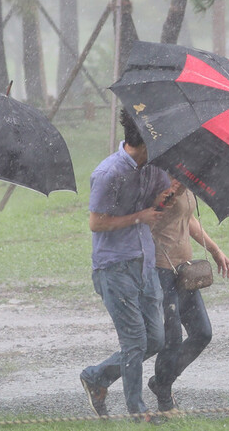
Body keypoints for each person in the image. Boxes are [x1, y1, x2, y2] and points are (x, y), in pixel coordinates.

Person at [80, 109, 172, 422]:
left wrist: (168, 197)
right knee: (134, 341)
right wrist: (138, 218)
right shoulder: (109, 173)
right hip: (114, 268)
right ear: (145, 141)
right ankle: (138, 410)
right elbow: (96, 223)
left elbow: (156, 206)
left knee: (155, 340)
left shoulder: (154, 168)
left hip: (145, 264)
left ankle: (96, 376)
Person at [147, 176, 229, 412]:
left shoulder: (186, 180)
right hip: (160, 270)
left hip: (184, 271)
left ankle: (160, 382)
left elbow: (188, 219)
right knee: (172, 338)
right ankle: (165, 402)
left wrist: (215, 250)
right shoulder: (157, 180)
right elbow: (144, 224)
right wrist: (167, 198)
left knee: (202, 333)